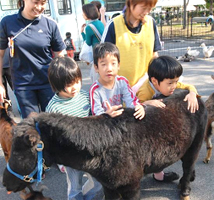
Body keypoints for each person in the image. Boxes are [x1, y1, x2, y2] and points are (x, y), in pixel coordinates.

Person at [46, 56, 102, 200]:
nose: (75, 87)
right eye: (69, 84)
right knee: (74, 185)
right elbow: (52, 136)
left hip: (89, 152)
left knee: (98, 182)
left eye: (77, 81)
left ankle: (87, 196)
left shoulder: (84, 96)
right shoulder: (53, 107)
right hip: (70, 156)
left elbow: (94, 118)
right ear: (57, 85)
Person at [137, 55, 199, 181]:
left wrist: (192, 94)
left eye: (176, 81)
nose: (174, 86)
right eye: (171, 83)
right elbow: (133, 105)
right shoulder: (145, 91)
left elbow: (188, 86)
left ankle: (159, 176)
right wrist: (147, 103)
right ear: (155, 81)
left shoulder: (169, 82)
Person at [0, 0, 65, 118]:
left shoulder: (50, 24)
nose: (39, 7)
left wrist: (63, 82)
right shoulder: (7, 23)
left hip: (48, 84)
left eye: (43, 3)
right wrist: (0, 84)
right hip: (23, 86)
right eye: (35, 2)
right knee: (31, 127)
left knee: (52, 124)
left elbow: (60, 56)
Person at [102, 0, 161, 95]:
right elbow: (103, 60)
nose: (146, 12)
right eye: (143, 8)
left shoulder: (151, 23)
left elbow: (154, 55)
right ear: (131, 3)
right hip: (120, 90)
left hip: (146, 88)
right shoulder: (114, 25)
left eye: (150, 9)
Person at [90, 42, 145, 119]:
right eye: (103, 64)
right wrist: (106, 115)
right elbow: (96, 113)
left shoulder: (122, 82)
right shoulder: (95, 90)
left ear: (118, 65)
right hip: (105, 125)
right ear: (96, 68)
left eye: (113, 63)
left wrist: (138, 107)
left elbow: (131, 100)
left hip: (119, 122)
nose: (109, 69)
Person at [81, 3, 104, 83]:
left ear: (87, 13)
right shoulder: (100, 23)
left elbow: (88, 43)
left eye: (83, 12)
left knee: (96, 79)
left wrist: (82, 33)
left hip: (97, 54)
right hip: (104, 52)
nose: (82, 14)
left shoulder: (89, 27)